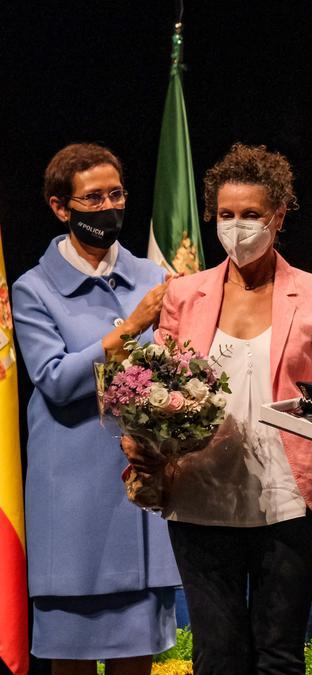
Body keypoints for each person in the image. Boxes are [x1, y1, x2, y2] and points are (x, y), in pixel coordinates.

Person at [128, 143, 312, 673]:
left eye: (251, 215)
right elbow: (157, 384)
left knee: (278, 654)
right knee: (218, 654)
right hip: (201, 496)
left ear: (278, 215)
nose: (237, 227)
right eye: (226, 215)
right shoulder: (184, 294)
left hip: (290, 499)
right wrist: (143, 433)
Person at [11, 143, 178, 674]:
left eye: (116, 194)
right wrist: (128, 331)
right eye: (92, 198)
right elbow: (56, 381)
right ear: (61, 208)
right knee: (72, 662)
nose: (108, 207)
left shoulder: (154, 281)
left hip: (140, 496)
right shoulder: (33, 289)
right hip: (72, 504)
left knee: (136, 659)